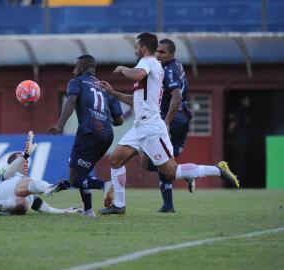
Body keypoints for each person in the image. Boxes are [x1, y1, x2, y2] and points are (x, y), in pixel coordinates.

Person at [97, 32, 240, 215]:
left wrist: (123, 68)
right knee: (115, 160)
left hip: (151, 128)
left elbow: (137, 74)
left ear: (142, 47)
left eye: (136, 46)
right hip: (139, 127)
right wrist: (114, 92)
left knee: (171, 172)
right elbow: (138, 100)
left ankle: (217, 170)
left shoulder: (147, 63)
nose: (134, 50)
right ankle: (119, 205)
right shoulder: (151, 66)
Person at [46, 54, 124, 217]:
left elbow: (70, 101)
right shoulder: (104, 87)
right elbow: (119, 120)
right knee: (83, 172)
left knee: (75, 178)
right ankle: (88, 211)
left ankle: (105, 185)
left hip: (89, 133)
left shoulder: (77, 81)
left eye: (76, 66)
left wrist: (60, 125)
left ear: (83, 67)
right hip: (107, 135)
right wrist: (104, 117)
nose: (74, 70)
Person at [0, 131, 82, 215]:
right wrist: (25, 155)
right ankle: (49, 187)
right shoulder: (5, 172)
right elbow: (8, 173)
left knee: (21, 203)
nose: (26, 163)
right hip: (5, 192)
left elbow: (47, 210)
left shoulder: (31, 191)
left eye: (27, 161)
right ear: (12, 163)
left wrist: (67, 210)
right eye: (22, 161)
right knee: (28, 184)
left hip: (15, 207)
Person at [140, 38, 194, 213]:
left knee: (150, 162)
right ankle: (170, 202)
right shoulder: (174, 65)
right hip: (180, 118)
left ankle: (183, 180)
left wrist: (166, 123)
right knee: (161, 162)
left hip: (172, 119)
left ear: (172, 54)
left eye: (163, 52)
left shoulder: (169, 70)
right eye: (157, 51)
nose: (158, 55)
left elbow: (176, 97)